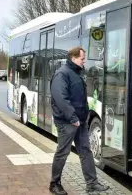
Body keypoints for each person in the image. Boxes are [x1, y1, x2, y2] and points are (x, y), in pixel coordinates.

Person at [49, 46, 109, 195]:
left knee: (86, 152)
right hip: (67, 122)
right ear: (73, 58)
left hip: (80, 121)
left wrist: (85, 114)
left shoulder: (76, 73)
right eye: (82, 58)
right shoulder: (62, 74)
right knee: (63, 152)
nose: (84, 61)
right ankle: (54, 184)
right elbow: (61, 98)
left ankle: (92, 184)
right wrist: (73, 117)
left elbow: (79, 97)